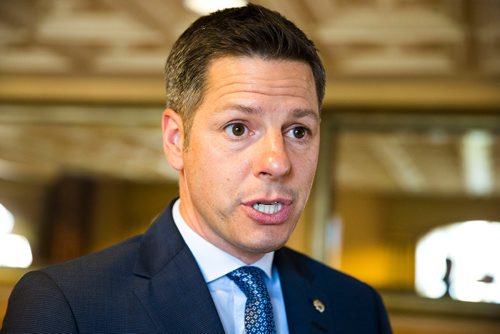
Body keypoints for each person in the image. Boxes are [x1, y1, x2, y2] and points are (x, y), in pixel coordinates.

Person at [1, 4, 392, 333]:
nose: (278, 162)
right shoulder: (64, 305)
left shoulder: (358, 307)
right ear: (176, 140)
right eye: (238, 128)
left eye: (298, 130)